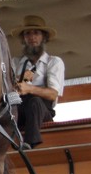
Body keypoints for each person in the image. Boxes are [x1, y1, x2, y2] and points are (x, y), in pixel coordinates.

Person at [10, 15, 65, 148]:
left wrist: (30, 89)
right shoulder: (15, 62)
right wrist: (20, 80)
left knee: (34, 102)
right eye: (28, 34)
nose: (32, 37)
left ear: (44, 37)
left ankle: (29, 143)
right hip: (19, 109)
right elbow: (6, 89)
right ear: (23, 39)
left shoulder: (53, 62)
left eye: (36, 33)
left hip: (42, 111)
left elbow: (53, 94)